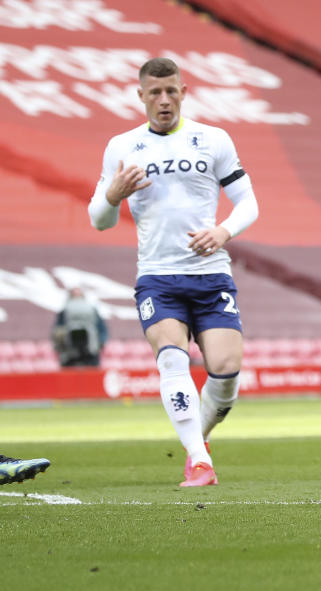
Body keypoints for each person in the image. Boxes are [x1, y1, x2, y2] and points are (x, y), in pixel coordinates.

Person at [88, 57, 260, 487]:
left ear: (184, 92)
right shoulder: (122, 146)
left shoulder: (213, 139)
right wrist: (112, 195)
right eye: (155, 93)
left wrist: (223, 231)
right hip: (158, 276)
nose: (164, 101)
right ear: (141, 96)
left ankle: (194, 445)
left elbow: (249, 203)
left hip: (211, 273)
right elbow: (100, 221)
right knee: (171, 357)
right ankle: (201, 463)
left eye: (171, 92)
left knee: (225, 372)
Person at [51, 287, 109, 367]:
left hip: (84, 350)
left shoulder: (65, 311)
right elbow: (102, 330)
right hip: (77, 351)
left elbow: (57, 332)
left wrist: (99, 343)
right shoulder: (91, 309)